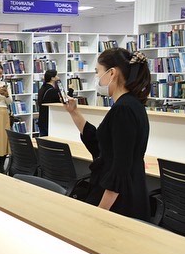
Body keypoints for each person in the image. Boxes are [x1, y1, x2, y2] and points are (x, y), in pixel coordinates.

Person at [64, 48, 151, 221]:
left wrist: (100, 213)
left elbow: (120, 168)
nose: (97, 77)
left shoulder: (124, 109)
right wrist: (74, 112)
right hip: (120, 193)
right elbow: (100, 145)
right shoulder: (127, 105)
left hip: (120, 203)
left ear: (112, 73)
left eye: (98, 72)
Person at [36, 69, 61, 137]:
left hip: (42, 118)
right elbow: (63, 102)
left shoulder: (42, 88)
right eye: (57, 76)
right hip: (49, 119)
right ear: (52, 78)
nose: (58, 77)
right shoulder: (52, 91)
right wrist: (71, 90)